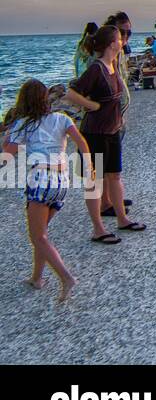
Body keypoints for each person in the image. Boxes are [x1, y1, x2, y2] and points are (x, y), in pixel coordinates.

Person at [3, 79, 97, 300]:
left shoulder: (24, 123)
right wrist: (90, 167)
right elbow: (82, 143)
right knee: (41, 234)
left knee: (38, 237)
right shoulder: (61, 119)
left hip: (40, 178)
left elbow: (7, 155)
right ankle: (37, 278)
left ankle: (66, 277)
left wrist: (8, 136)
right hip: (61, 181)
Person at [64, 24, 144, 240]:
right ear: (111, 44)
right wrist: (93, 106)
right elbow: (71, 94)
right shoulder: (96, 69)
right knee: (95, 181)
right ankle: (98, 229)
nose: (122, 41)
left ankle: (122, 219)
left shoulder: (113, 64)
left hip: (113, 130)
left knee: (115, 176)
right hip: (95, 133)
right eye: (119, 38)